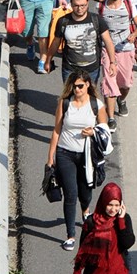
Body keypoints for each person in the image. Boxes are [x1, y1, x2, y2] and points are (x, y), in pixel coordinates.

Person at [47, 71, 108, 251]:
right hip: (65, 153)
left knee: (85, 193)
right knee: (70, 194)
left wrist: (93, 131)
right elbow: (56, 130)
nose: (77, 89)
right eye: (74, 86)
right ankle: (70, 235)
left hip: (87, 156)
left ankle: (86, 209)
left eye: (80, 86)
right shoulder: (65, 103)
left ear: (88, 85)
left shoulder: (97, 105)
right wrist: (50, 157)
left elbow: (105, 131)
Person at [98, 0, 137, 131]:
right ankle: (110, 118)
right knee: (109, 83)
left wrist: (134, 35)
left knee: (124, 84)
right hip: (107, 51)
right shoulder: (102, 7)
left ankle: (121, 100)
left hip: (126, 49)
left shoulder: (129, 5)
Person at [46, 0, 117, 83]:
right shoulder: (63, 21)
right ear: (70, 3)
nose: (80, 9)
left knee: (89, 97)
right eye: (76, 5)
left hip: (91, 70)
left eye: (83, 5)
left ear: (88, 3)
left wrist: (112, 62)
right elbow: (55, 42)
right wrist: (48, 60)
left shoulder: (96, 20)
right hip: (70, 70)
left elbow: (108, 41)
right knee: (69, 97)